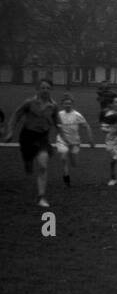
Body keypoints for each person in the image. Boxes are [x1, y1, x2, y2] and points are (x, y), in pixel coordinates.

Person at [4, 79, 59, 207]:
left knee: (43, 166)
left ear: (51, 90)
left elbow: (57, 121)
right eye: (43, 87)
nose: (45, 90)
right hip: (27, 137)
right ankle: (27, 162)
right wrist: (10, 132)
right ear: (38, 89)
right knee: (28, 162)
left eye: (48, 88)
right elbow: (15, 116)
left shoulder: (54, 106)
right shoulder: (29, 103)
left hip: (43, 138)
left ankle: (41, 197)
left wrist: (63, 134)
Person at [54, 94, 94, 188]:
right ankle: (66, 176)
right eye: (65, 103)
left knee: (74, 163)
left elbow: (87, 126)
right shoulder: (59, 115)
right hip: (62, 140)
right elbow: (56, 126)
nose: (67, 105)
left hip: (74, 141)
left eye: (69, 103)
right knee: (64, 157)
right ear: (62, 104)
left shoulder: (77, 115)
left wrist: (90, 139)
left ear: (72, 104)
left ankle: (71, 158)